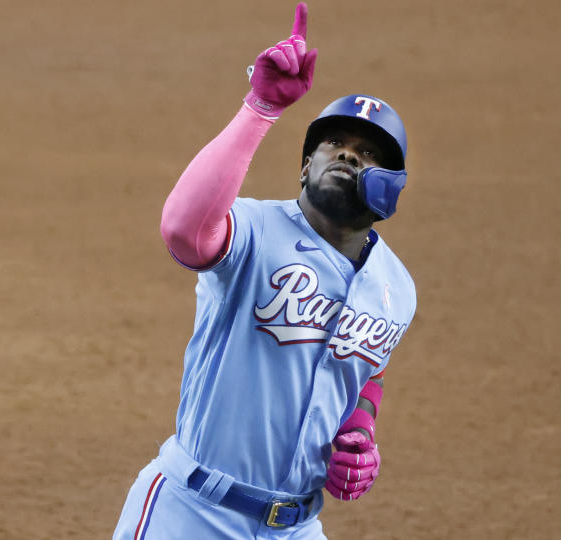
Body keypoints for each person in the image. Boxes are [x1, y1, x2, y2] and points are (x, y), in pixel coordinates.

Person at [113, 3, 415, 538]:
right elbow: (184, 230)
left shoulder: (396, 288)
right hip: (194, 513)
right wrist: (261, 108)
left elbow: (370, 369)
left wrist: (359, 431)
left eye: (367, 152)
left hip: (297, 527)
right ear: (305, 167)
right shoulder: (253, 231)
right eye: (333, 144)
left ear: (392, 185)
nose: (346, 155)